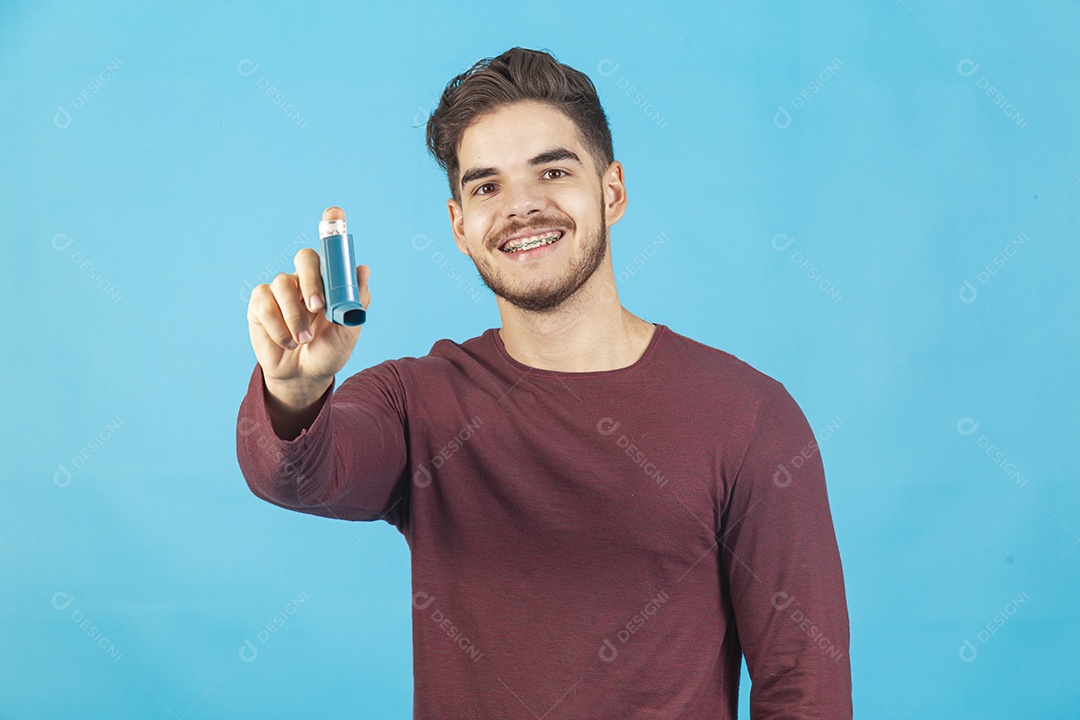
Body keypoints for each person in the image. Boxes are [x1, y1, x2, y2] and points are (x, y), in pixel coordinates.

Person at [236, 46, 852, 719]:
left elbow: (805, 687)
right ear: (459, 227)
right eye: (487, 186)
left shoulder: (748, 415)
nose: (522, 207)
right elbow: (300, 474)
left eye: (552, 171)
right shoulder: (418, 405)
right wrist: (295, 392)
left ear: (611, 192)